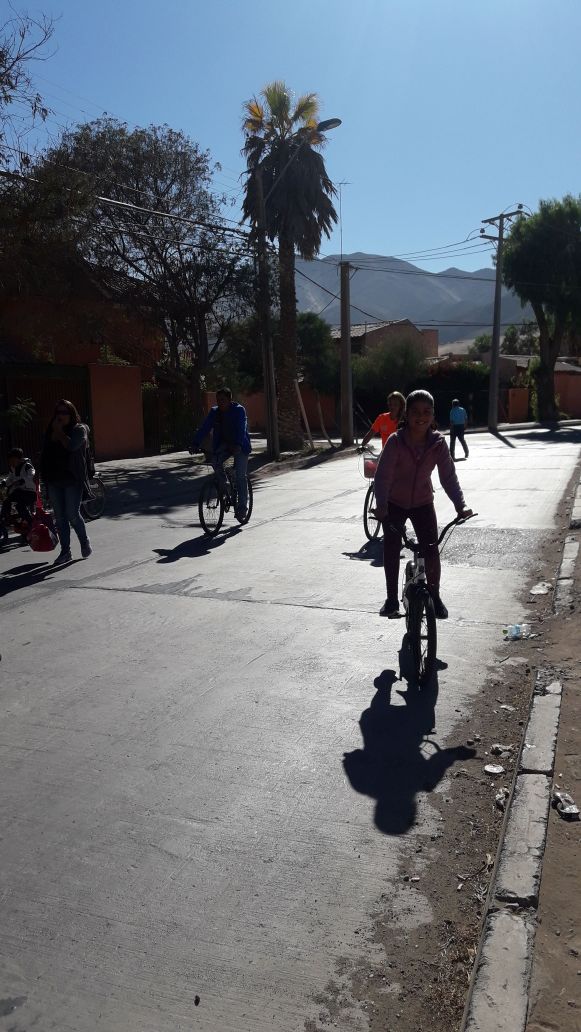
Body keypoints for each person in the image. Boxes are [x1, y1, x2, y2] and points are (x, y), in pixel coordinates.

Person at [373, 389, 472, 620]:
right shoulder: (396, 442)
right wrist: (381, 505)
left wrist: (461, 505)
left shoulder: (438, 443)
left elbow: (448, 477)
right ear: (406, 414)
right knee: (391, 547)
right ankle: (391, 599)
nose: (421, 416)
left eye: (427, 412)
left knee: (431, 549)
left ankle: (435, 596)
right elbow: (383, 476)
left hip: (423, 503)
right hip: (394, 504)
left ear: (433, 415)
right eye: (416, 412)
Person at [40, 399, 92, 565]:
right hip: (54, 478)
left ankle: (84, 541)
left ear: (71, 414)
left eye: (64, 412)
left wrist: (60, 432)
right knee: (60, 518)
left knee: (72, 514)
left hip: (72, 478)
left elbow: (72, 446)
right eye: (58, 412)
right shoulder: (51, 429)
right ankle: (65, 552)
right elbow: (46, 452)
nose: (60, 416)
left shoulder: (79, 429)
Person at [192, 387, 251, 519]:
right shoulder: (215, 412)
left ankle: (242, 508)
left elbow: (242, 428)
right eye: (218, 400)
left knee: (240, 476)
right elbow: (205, 428)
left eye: (223, 400)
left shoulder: (239, 410)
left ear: (230, 400)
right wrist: (195, 443)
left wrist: (238, 444)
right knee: (215, 461)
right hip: (224, 444)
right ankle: (224, 486)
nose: (220, 403)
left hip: (240, 445)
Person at [1, 448, 37, 531]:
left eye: (13, 461)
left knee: (19, 505)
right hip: (19, 492)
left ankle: (30, 522)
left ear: (20, 459)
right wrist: (4, 483)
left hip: (29, 492)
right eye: (10, 461)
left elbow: (32, 474)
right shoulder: (12, 469)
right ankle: (5, 518)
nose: (11, 463)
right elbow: (10, 479)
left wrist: (23, 480)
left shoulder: (27, 466)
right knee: (7, 502)